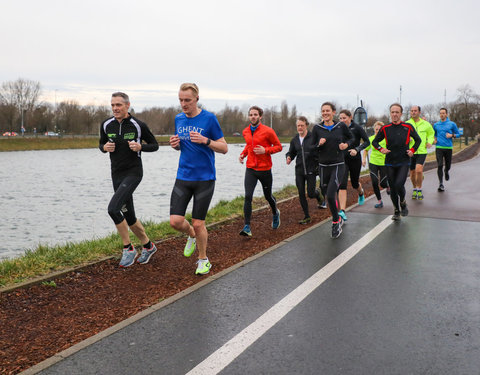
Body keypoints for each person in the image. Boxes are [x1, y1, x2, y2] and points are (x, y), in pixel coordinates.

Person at [169, 83, 228, 275]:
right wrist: (175, 145)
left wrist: (206, 141)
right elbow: (182, 146)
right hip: (183, 176)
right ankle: (191, 235)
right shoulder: (178, 118)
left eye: (187, 100)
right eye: (180, 100)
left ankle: (203, 260)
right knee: (175, 222)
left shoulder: (209, 119)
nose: (183, 104)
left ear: (196, 99)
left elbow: (224, 147)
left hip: (205, 178)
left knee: (198, 222)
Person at [99, 92, 159, 267]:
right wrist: (104, 147)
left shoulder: (138, 125)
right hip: (116, 173)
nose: (115, 108)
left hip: (133, 173)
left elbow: (155, 145)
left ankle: (128, 248)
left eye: (119, 105)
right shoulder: (106, 124)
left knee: (113, 209)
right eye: (113, 105)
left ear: (127, 105)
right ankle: (148, 246)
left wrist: (141, 147)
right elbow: (101, 144)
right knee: (129, 215)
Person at [311, 102, 353, 238]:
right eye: (323, 111)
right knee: (326, 195)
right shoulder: (317, 128)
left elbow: (352, 138)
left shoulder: (340, 126)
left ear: (333, 112)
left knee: (330, 194)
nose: (325, 113)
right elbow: (310, 148)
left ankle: (336, 221)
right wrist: (318, 144)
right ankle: (337, 217)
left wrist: (345, 145)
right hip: (323, 167)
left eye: (327, 111)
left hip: (338, 164)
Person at [372, 103, 421, 220]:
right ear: (390, 113)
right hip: (389, 162)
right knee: (393, 188)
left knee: (399, 184)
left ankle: (403, 202)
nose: (394, 114)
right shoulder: (385, 128)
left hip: (403, 161)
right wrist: (381, 149)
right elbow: (375, 142)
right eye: (392, 112)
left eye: (397, 112)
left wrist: (412, 150)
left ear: (401, 114)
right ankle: (396, 210)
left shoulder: (408, 127)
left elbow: (418, 140)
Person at [239, 106, 282, 237]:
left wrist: (265, 150)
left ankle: (275, 213)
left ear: (260, 116)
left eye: (255, 114)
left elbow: (279, 147)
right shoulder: (245, 131)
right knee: (248, 196)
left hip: (265, 169)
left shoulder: (268, 131)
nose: (253, 117)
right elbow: (249, 145)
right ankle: (247, 226)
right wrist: (243, 154)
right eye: (251, 114)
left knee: (268, 196)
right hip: (251, 168)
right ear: (248, 116)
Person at [286, 116, 323, 224]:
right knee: (301, 193)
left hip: (311, 169)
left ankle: (318, 194)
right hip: (299, 171)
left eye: (302, 125)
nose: (300, 127)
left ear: (306, 125)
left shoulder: (313, 137)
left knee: (310, 194)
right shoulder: (295, 140)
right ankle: (307, 216)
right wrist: (288, 157)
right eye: (298, 126)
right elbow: (291, 152)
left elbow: (320, 150)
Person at [337, 109, 370, 221]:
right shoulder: (338, 128)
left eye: (344, 118)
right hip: (342, 159)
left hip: (355, 159)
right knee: (342, 184)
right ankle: (342, 211)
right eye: (340, 118)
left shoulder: (357, 128)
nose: (342, 120)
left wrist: (357, 149)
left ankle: (361, 193)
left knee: (355, 183)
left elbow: (367, 142)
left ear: (350, 117)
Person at [406, 105, 434, 200]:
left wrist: (429, 141)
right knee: (412, 173)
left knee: (419, 170)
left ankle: (419, 189)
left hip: (422, 150)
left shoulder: (426, 124)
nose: (413, 112)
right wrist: (407, 139)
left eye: (415, 111)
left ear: (419, 112)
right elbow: (402, 136)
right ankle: (414, 188)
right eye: (411, 111)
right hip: (410, 151)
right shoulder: (407, 123)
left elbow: (431, 134)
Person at [362, 121, 389, 208]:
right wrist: (364, 159)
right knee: (374, 181)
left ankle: (388, 186)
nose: (378, 131)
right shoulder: (371, 139)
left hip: (384, 163)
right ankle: (379, 201)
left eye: (380, 129)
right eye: (376, 129)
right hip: (373, 162)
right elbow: (365, 150)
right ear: (374, 130)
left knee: (383, 183)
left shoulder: (387, 139)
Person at [433, 107, 460, 191]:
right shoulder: (436, 125)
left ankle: (446, 171)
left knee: (448, 165)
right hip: (439, 147)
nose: (442, 114)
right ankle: (441, 184)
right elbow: (434, 134)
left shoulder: (452, 124)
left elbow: (458, 134)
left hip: (448, 147)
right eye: (440, 113)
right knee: (440, 165)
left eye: (443, 113)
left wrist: (451, 135)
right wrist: (434, 139)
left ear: (446, 114)